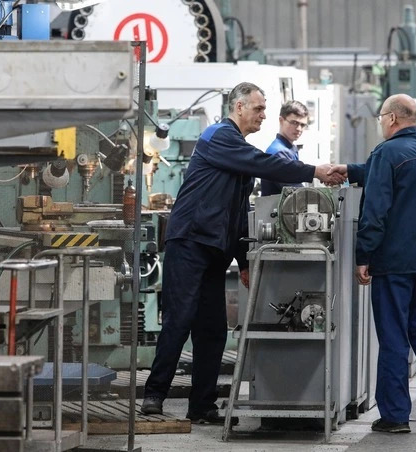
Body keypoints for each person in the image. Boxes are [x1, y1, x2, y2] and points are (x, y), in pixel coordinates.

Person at [140, 82, 345, 424]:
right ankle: (154, 395)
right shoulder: (219, 137)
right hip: (190, 242)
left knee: (212, 330)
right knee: (179, 320)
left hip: (213, 250)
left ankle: (201, 406)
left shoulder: (238, 150)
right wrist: (314, 171)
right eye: (258, 108)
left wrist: (243, 260)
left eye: (264, 109)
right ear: (238, 108)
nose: (263, 115)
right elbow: (264, 164)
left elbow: (237, 213)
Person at [328, 94, 416, 433]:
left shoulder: (385, 152)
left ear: (390, 119)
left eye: (380, 118)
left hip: (396, 261)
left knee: (393, 336)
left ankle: (396, 416)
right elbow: (399, 173)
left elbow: (375, 212)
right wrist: (351, 171)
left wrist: (363, 255)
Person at [260, 100, 309, 196]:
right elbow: (297, 193)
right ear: (281, 120)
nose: (299, 129)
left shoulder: (290, 149)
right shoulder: (279, 152)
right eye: (294, 123)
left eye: (302, 125)